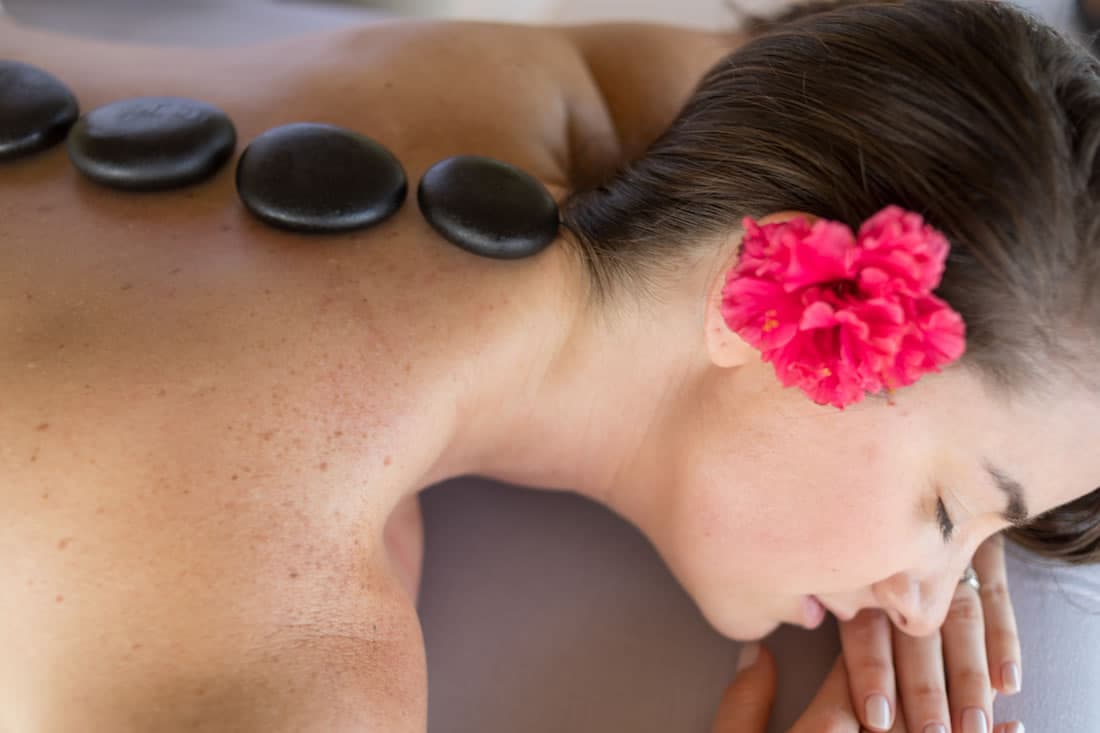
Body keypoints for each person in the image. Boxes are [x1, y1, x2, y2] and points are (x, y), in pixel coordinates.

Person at [2, 1, 1097, 732]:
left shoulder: (554, 93)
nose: (921, 610)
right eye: (948, 506)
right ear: (773, 293)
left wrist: (948, 487)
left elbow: (861, 99)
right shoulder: (281, 621)